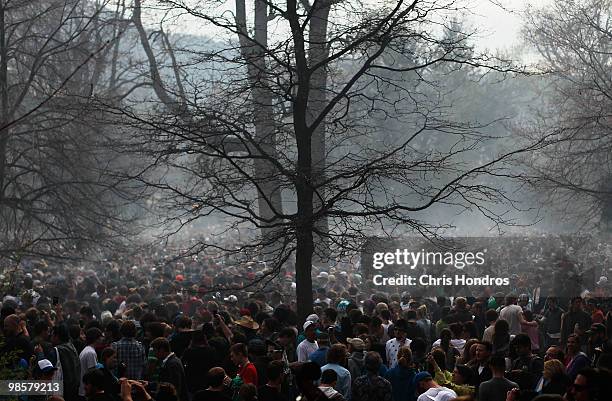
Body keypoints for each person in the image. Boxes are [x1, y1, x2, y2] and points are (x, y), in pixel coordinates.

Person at [150, 337, 188, 401]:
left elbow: (175, 387)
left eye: (155, 350)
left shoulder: (172, 364)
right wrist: (148, 384)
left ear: (161, 350)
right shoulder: (171, 362)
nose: (154, 354)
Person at [79, 328, 103, 397]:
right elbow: (93, 374)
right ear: (96, 339)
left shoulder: (88, 350)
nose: (102, 339)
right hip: (86, 391)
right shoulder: (90, 353)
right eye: (100, 337)